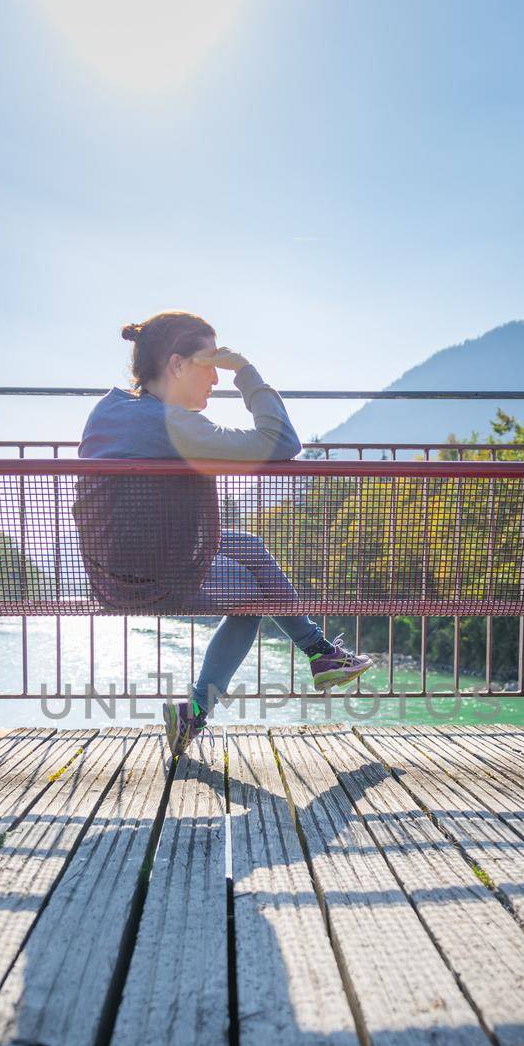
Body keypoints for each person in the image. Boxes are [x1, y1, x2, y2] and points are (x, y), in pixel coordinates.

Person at [77, 310, 371, 756]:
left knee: (249, 546)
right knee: (251, 596)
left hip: (116, 564)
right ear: (177, 365)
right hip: (148, 578)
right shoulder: (175, 424)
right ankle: (199, 708)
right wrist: (246, 373)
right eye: (209, 364)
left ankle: (319, 652)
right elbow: (282, 442)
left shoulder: (112, 408)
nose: (215, 378)